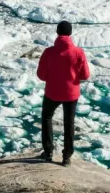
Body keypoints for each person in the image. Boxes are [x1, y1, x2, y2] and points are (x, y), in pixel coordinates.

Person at [36, 20, 91, 165]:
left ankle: (48, 152)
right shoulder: (78, 52)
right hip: (71, 94)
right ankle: (67, 157)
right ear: (70, 33)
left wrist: (53, 77)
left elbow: (41, 75)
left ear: (57, 32)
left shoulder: (49, 52)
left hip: (52, 92)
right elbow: (85, 75)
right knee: (69, 122)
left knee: (47, 117)